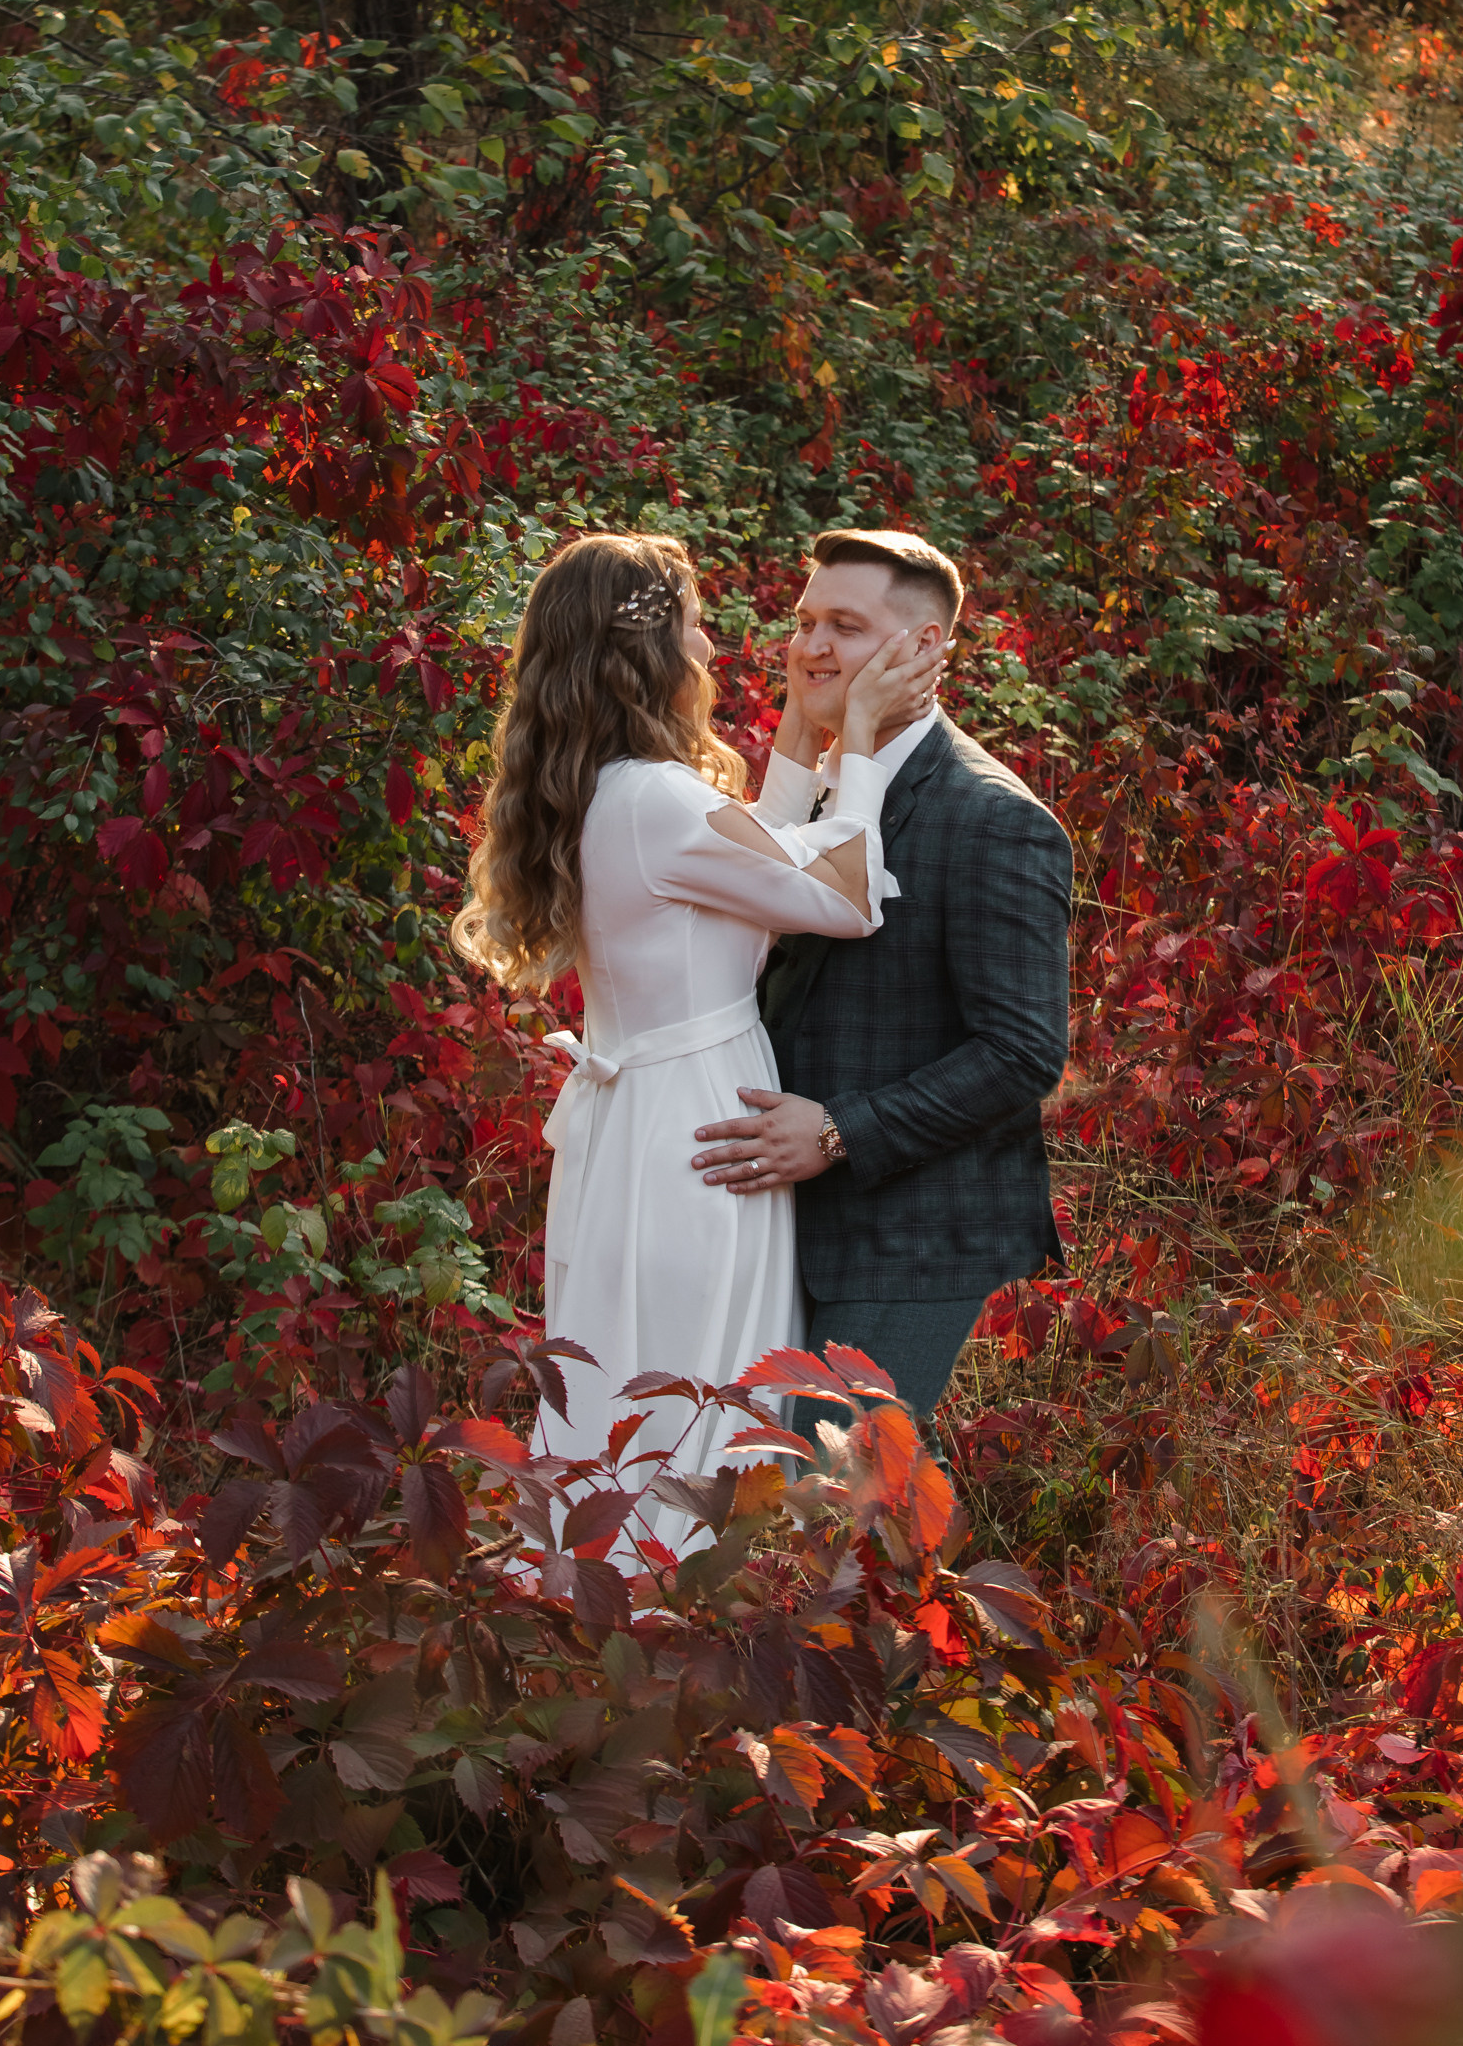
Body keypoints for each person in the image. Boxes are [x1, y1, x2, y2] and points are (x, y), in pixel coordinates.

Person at [450, 530, 937, 1524]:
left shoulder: (611, 794)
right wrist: (859, 742)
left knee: (637, 1383)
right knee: (698, 1396)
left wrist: (800, 743)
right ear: (648, 656)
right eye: (696, 630)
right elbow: (839, 894)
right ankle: (676, 1619)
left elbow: (738, 916)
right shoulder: (656, 800)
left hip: (646, 1124)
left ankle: (612, 1612)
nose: (713, 653)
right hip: (697, 1138)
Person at [691, 527, 1072, 1448]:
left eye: (846, 627)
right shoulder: (825, 791)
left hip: (913, 1231)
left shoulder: (991, 819)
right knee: (785, 1501)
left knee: (835, 1496)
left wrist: (836, 1131)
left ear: (923, 647)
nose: (813, 647)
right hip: (788, 1221)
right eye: (806, 621)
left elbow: (1022, 1052)